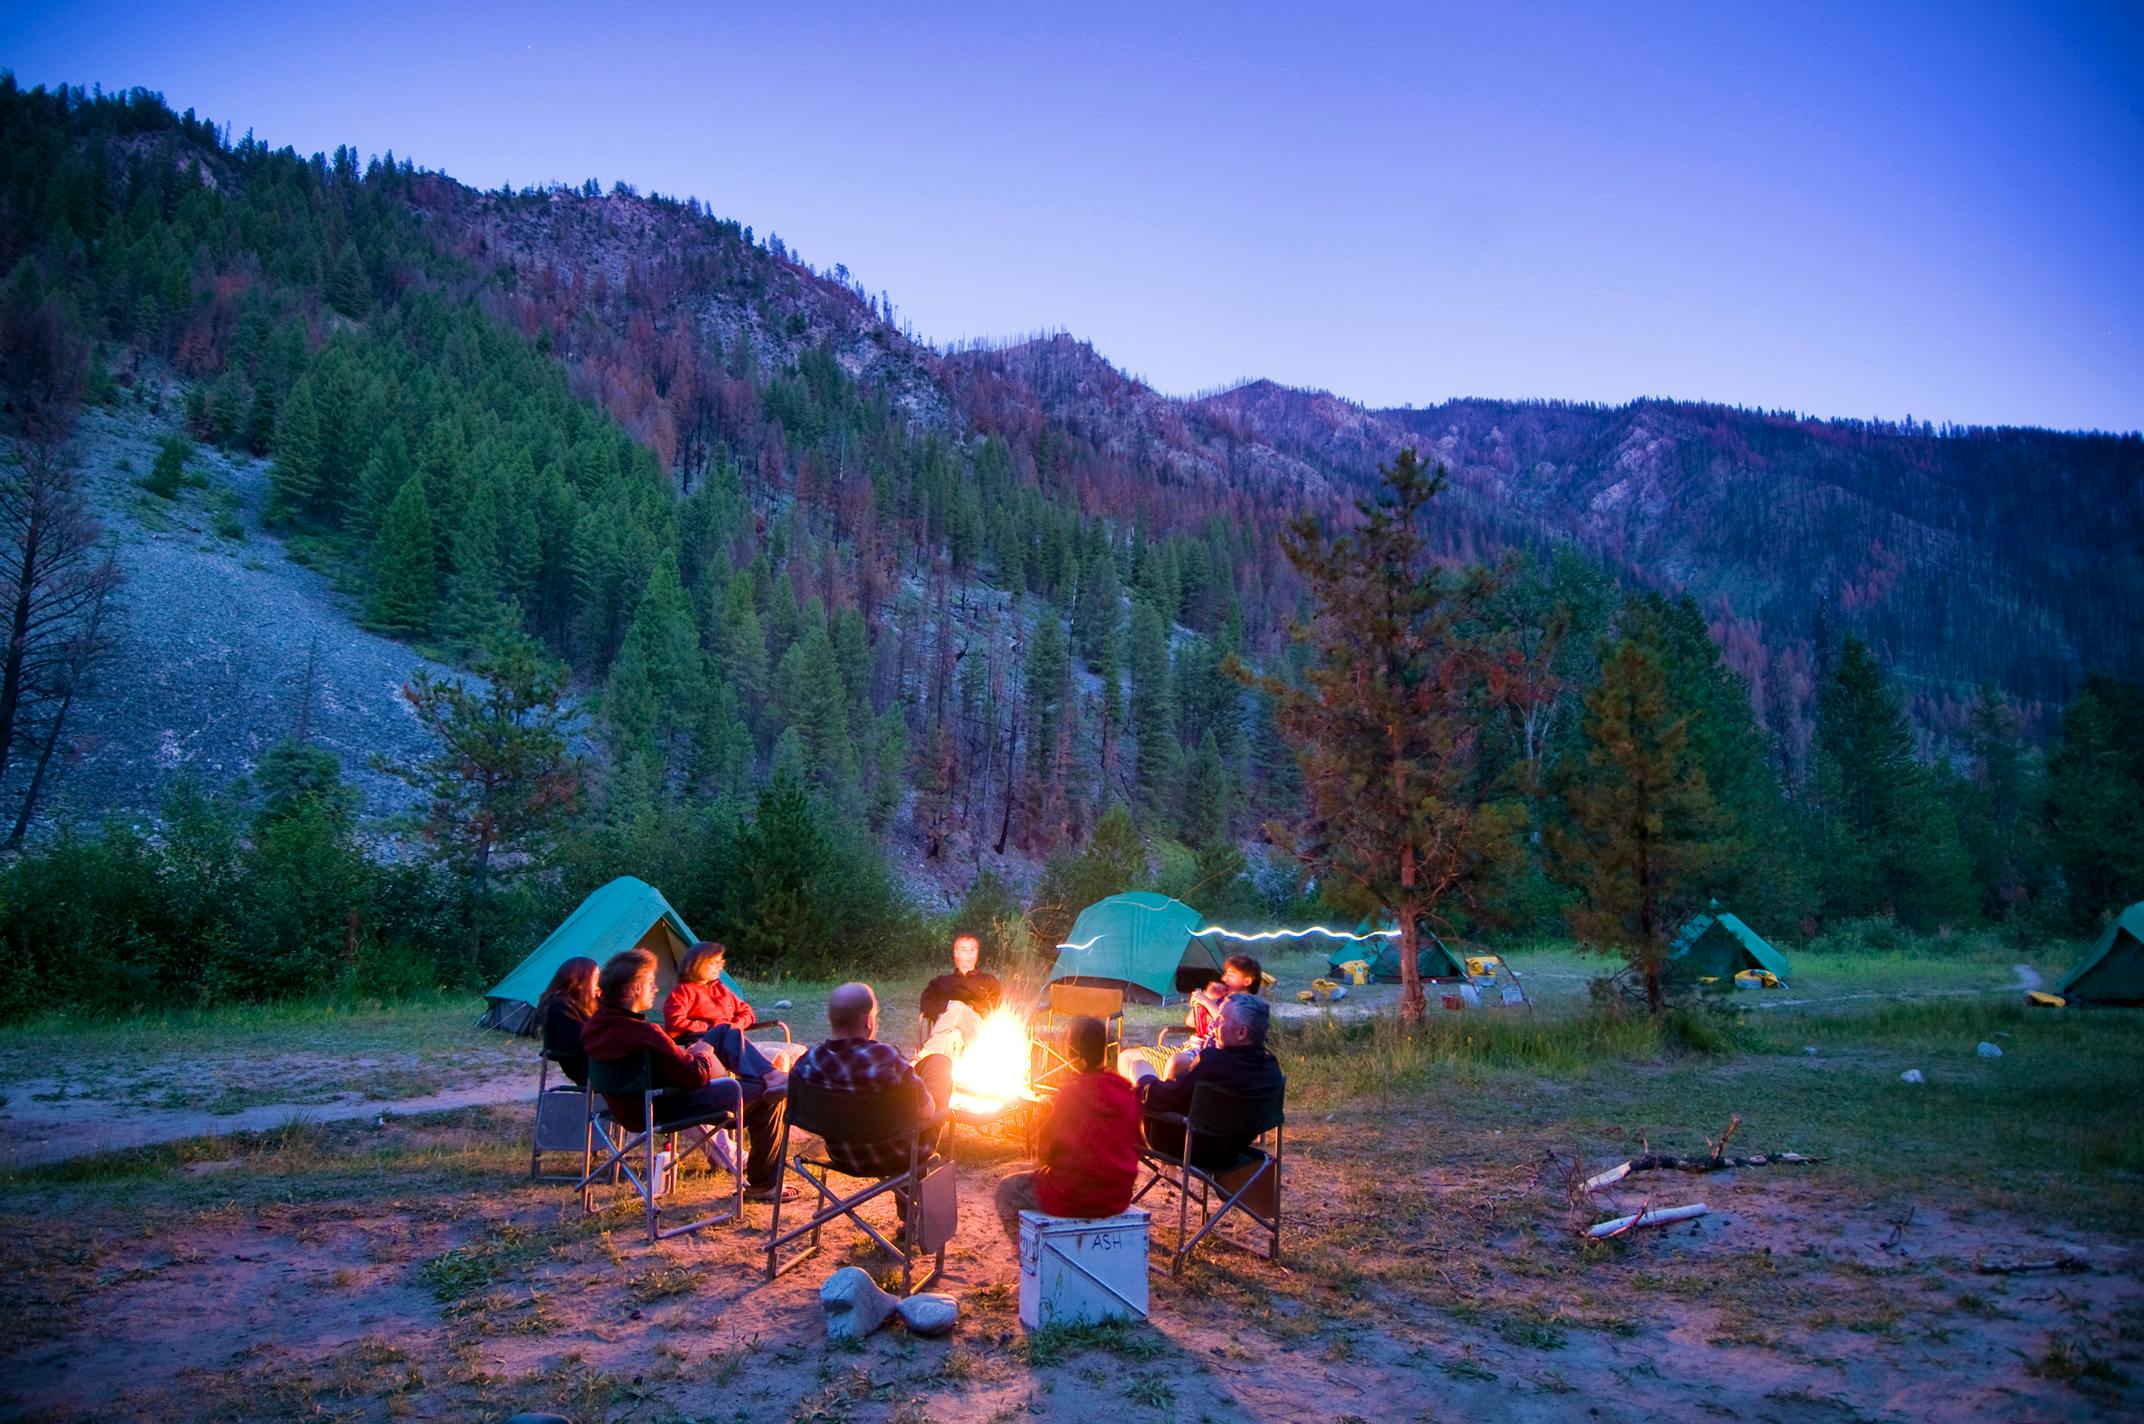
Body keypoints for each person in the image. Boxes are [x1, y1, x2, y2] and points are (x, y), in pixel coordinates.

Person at [581, 948, 794, 1202]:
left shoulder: (595, 1026)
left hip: (637, 1104)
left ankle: (771, 1074)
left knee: (724, 1031)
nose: (655, 989)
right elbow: (694, 1077)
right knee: (768, 1097)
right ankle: (764, 1185)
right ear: (635, 988)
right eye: (650, 983)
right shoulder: (645, 1033)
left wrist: (696, 1051)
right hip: (666, 1105)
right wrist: (702, 1054)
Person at [792, 983, 954, 1212]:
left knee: (913, 1085)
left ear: (831, 1018)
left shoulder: (809, 1062)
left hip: (841, 1153)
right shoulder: (886, 1060)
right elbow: (927, 1113)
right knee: (939, 1065)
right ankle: (913, 1217)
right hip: (897, 1155)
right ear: (868, 1020)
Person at [994, 1015, 1142, 1243]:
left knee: (1006, 1190)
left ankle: (1031, 1262)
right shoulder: (1126, 1092)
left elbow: (1048, 1151)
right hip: (1117, 1195)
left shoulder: (1071, 1094)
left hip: (1073, 1196)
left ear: (1071, 1052)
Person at [1123, 992, 1285, 1170]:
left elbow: (1162, 1098)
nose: (1213, 1023)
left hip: (1185, 1147)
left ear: (1241, 1033)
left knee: (1138, 1067)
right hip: (1232, 1152)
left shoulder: (1212, 1063)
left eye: (1221, 1020)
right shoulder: (1271, 1069)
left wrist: (1134, 1092)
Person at [1117, 953, 1264, 1081]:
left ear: (1247, 981)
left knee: (1176, 1062)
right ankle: (1133, 1106)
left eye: (1231, 975)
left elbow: (1227, 1022)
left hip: (1207, 1053)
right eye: (1225, 974)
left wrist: (1206, 1001)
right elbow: (1190, 1022)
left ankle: (1161, 1099)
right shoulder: (1222, 997)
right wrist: (1206, 998)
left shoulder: (1249, 1008)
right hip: (1189, 1047)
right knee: (1126, 1057)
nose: (1224, 978)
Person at [663, 942, 808, 1069]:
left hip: (735, 1041)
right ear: (696, 964)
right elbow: (674, 1023)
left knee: (799, 1052)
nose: (719, 967)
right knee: (780, 1057)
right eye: (714, 963)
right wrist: (713, 1027)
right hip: (710, 1046)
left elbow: (747, 1012)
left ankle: (782, 1097)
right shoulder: (683, 991)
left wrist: (735, 1025)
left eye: (721, 962)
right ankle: (768, 1094)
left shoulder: (720, 988)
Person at [534, 956, 598, 1087]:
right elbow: (589, 1038)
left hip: (595, 1065)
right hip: (590, 1069)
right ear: (581, 980)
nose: (599, 983)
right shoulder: (560, 1006)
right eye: (596, 977)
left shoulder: (576, 1004)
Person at [919, 932, 1003, 1026]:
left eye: (973, 950)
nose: (970, 954)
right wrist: (946, 1008)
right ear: (956, 953)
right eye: (964, 950)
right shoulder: (941, 982)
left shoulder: (988, 981)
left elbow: (994, 1004)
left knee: (957, 1007)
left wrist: (968, 1008)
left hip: (975, 1028)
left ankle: (936, 1039)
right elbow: (926, 1003)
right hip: (946, 1024)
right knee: (954, 1032)